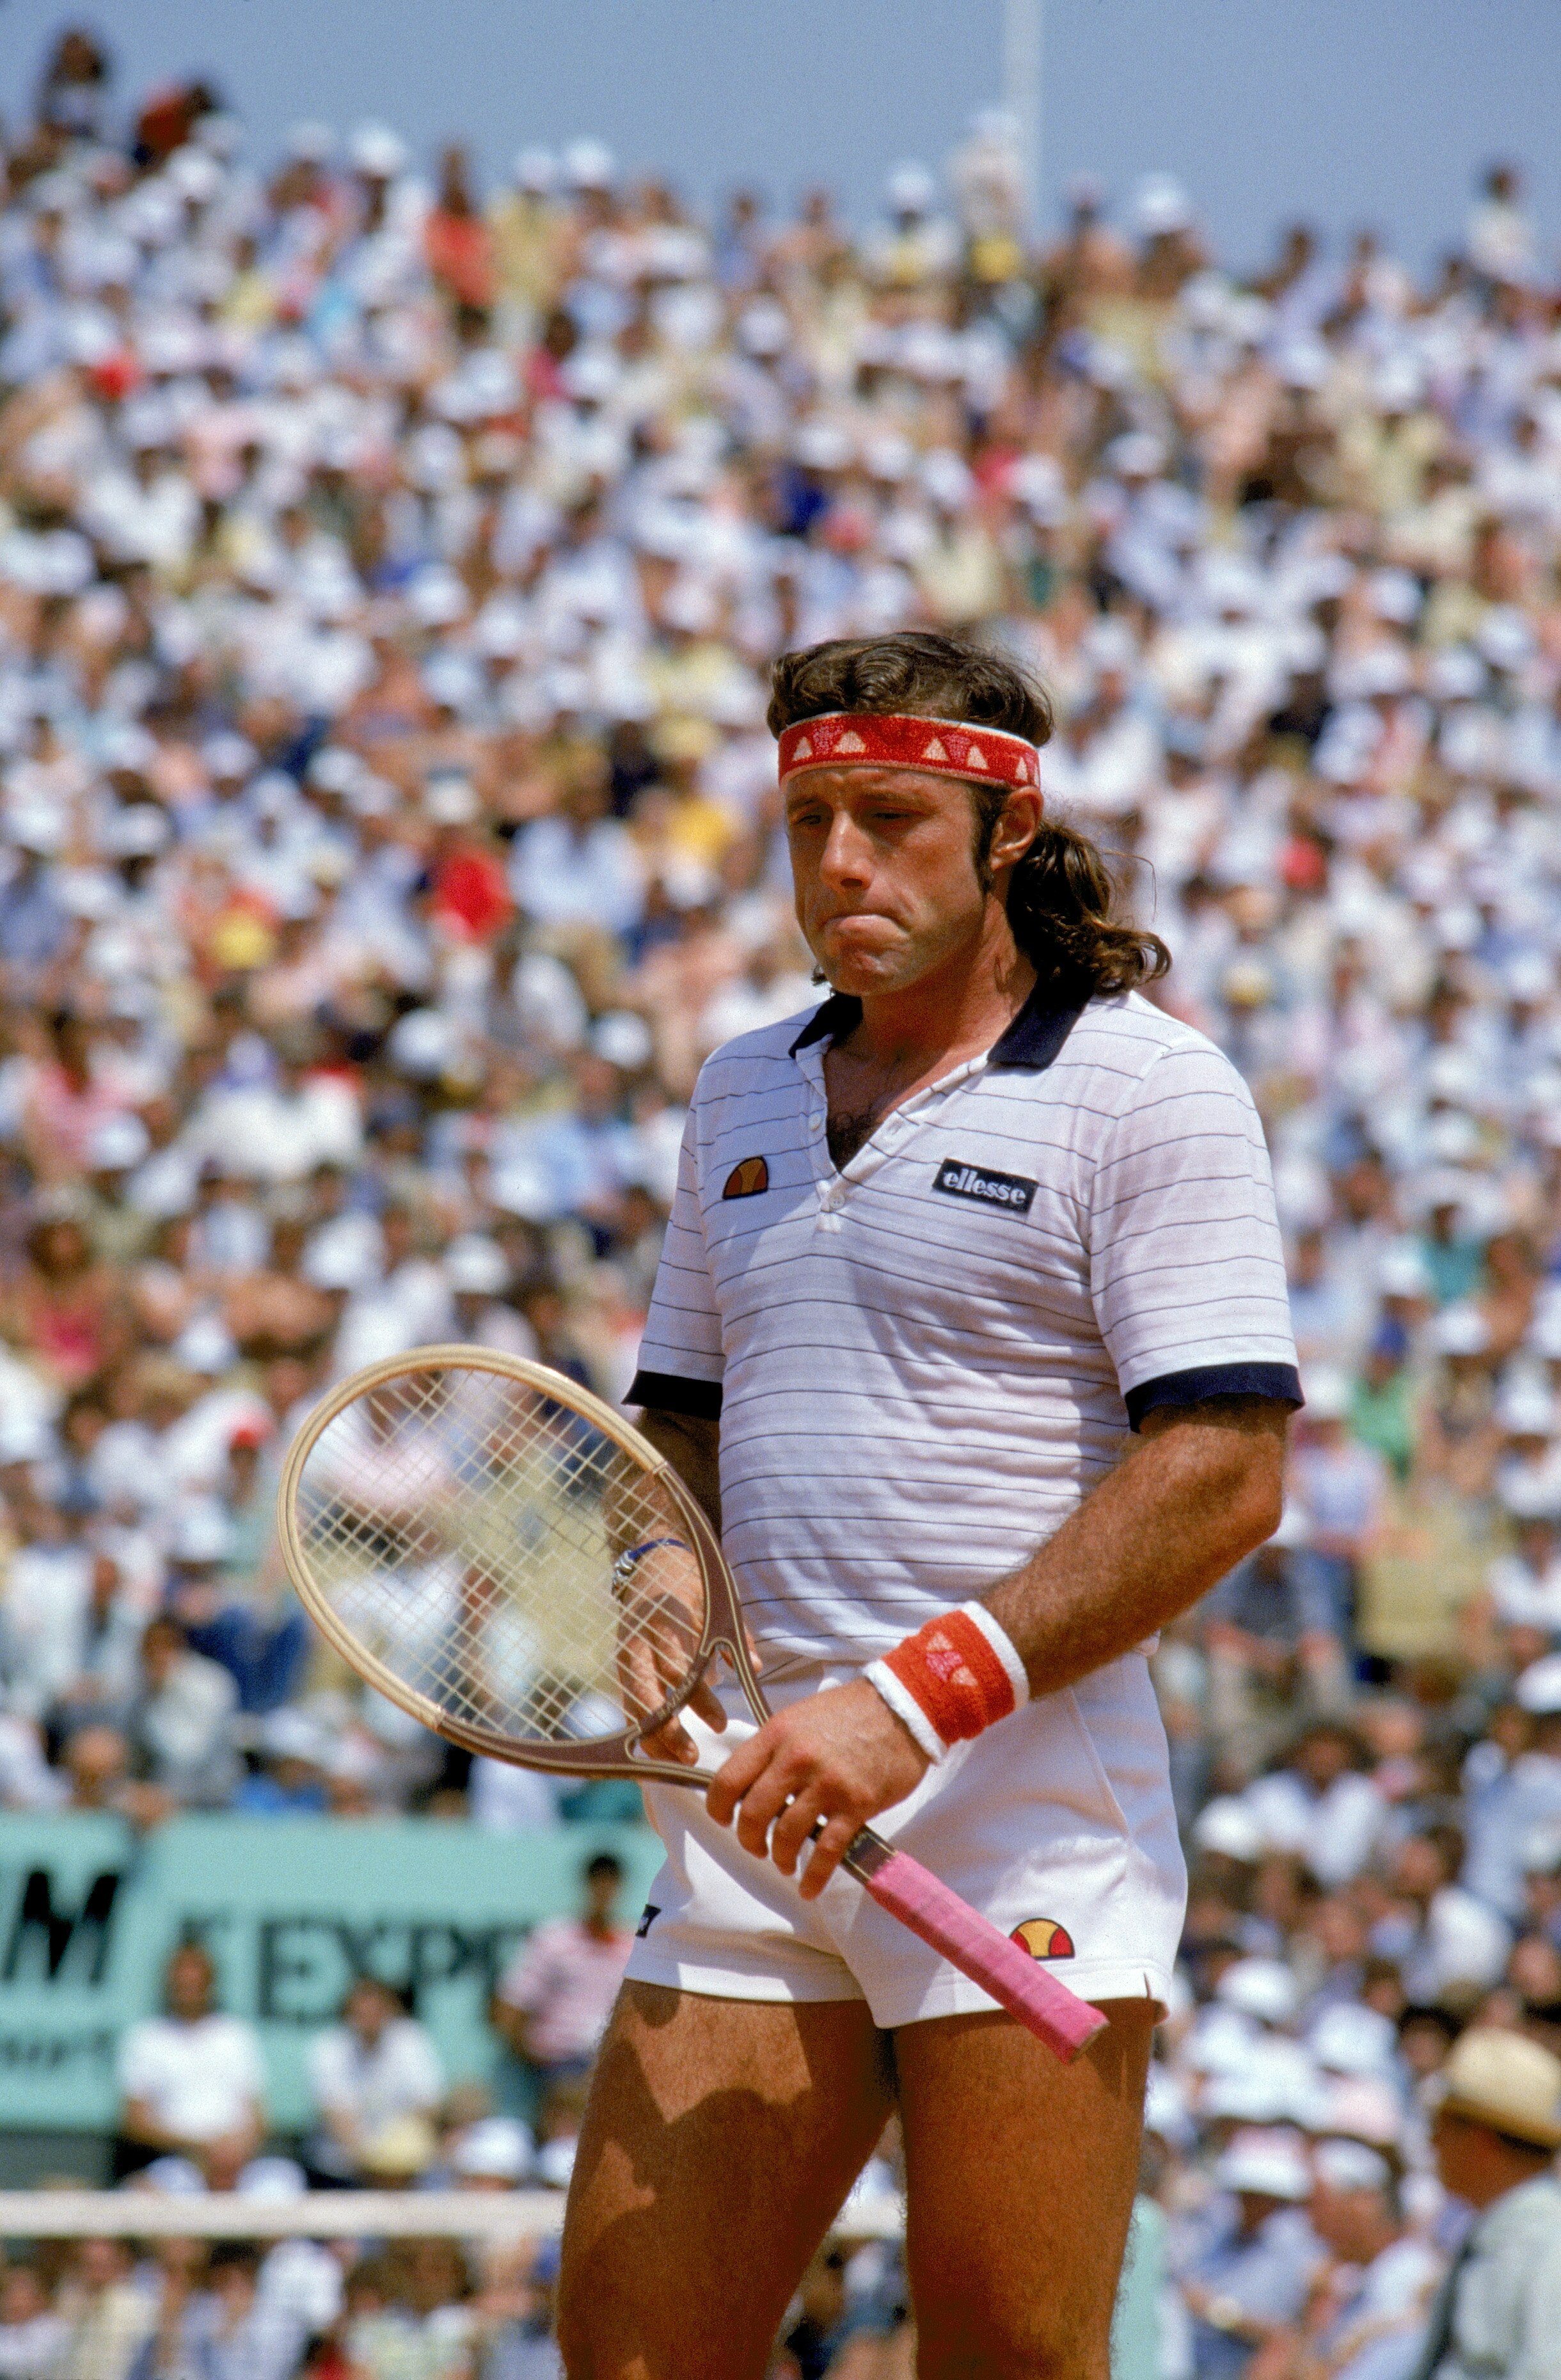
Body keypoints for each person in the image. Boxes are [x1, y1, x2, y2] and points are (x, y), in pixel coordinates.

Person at [560, 632, 1300, 2375]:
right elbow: (674, 1421)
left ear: (1008, 834)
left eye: (888, 817)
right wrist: (660, 1575)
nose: (837, 866)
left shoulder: (1153, 1085)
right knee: (634, 2356)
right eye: (807, 817)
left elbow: (1226, 1474)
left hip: (1023, 1814)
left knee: (1013, 2365)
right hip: (753, 1811)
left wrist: (906, 1707)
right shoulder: (739, 1081)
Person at [1411, 2029, 1561, 2380]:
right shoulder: (1503, 2232)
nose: (1432, 2142)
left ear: (1479, 2140)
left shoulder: (1547, 2247)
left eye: (1441, 2126)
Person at [490, 1853, 632, 2113]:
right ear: (586, 1885)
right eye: (598, 1883)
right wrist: (540, 2064)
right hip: (552, 2070)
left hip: (609, 2070)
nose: (604, 1892)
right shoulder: (553, 1940)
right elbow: (507, 2012)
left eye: (610, 1883)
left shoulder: (630, 1946)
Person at [117, 1941, 266, 2188]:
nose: (189, 1990)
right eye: (182, 1984)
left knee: (280, 2187)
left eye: (196, 1983)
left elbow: (258, 2118)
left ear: (210, 1984)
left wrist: (231, 2154)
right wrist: (201, 2146)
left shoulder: (237, 2036)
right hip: (173, 2163)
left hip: (237, 2165)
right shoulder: (146, 2038)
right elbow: (135, 2123)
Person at [305, 1974, 443, 2184]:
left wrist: (402, 2152)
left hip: (405, 2173)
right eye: (361, 2012)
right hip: (340, 2172)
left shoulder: (412, 2040)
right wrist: (377, 2161)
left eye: (376, 2010)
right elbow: (338, 2118)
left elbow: (428, 2108)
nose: (369, 2017)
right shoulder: (329, 2047)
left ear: (391, 2010)